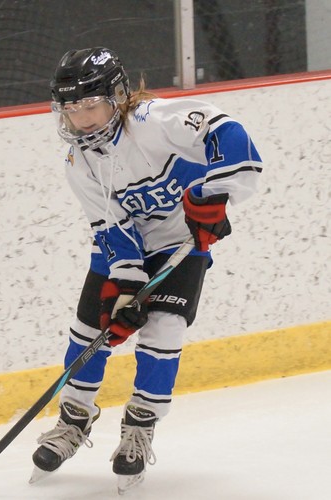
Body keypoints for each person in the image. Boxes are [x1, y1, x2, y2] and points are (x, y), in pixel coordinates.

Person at [30, 47, 262, 493]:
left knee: (164, 329)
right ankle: (73, 420)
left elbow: (225, 129)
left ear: (117, 96)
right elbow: (109, 226)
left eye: (90, 104)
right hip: (126, 246)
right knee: (90, 330)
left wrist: (216, 192)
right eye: (71, 108)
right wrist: (126, 284)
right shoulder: (79, 162)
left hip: (181, 241)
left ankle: (140, 426)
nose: (81, 118)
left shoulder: (153, 121)